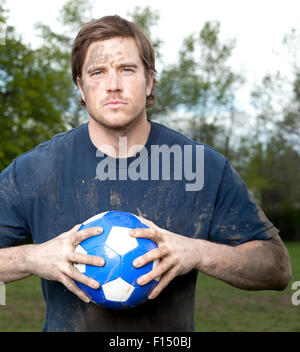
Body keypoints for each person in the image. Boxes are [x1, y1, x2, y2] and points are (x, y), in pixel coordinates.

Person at [0, 15, 291, 332]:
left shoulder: (202, 167)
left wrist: (199, 253)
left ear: (149, 81)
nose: (113, 84)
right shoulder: (34, 170)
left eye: (126, 69)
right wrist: (31, 258)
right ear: (80, 87)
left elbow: (277, 268)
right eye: (98, 72)